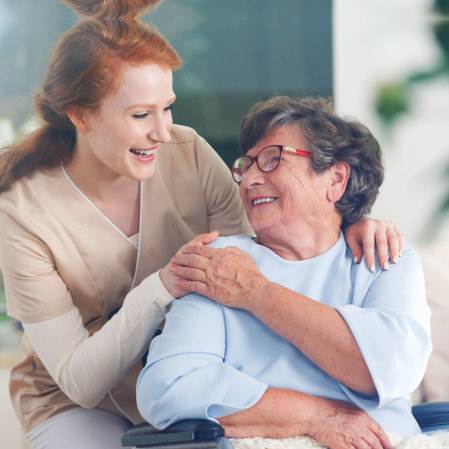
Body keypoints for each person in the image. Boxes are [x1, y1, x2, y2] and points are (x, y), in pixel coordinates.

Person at [0, 1, 401, 448]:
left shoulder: (186, 152)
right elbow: (80, 381)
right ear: (80, 115)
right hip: (78, 401)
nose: (163, 131)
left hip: (192, 379)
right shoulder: (22, 211)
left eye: (167, 107)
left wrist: (346, 222)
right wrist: (163, 286)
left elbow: (258, 251)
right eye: (140, 115)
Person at [136, 96, 431, 449]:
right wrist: (314, 416)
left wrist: (256, 293)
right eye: (246, 166)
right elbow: (167, 388)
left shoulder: (383, 257)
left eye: (272, 159)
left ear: (335, 179)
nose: (249, 181)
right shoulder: (221, 264)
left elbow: (389, 368)